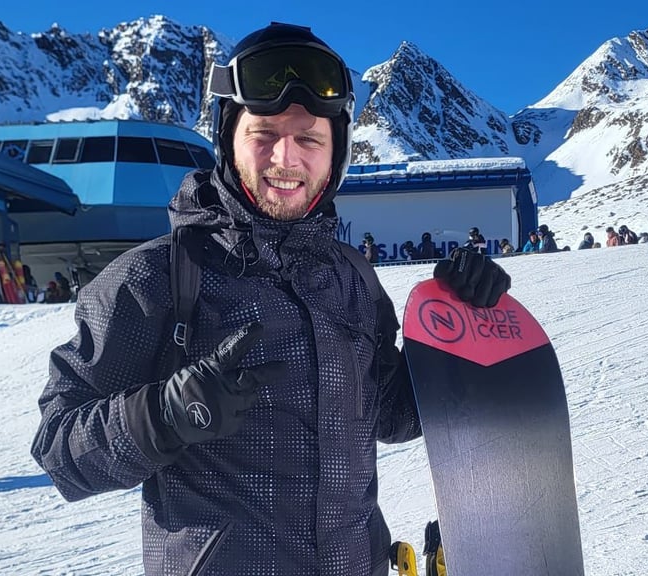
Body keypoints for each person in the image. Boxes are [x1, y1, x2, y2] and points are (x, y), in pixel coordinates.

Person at [30, 22, 511, 576]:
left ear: (336, 156)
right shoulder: (155, 279)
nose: (286, 158)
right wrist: (164, 415)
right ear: (228, 140)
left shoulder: (352, 278)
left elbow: (391, 415)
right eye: (263, 134)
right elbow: (59, 449)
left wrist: (458, 325)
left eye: (309, 139)